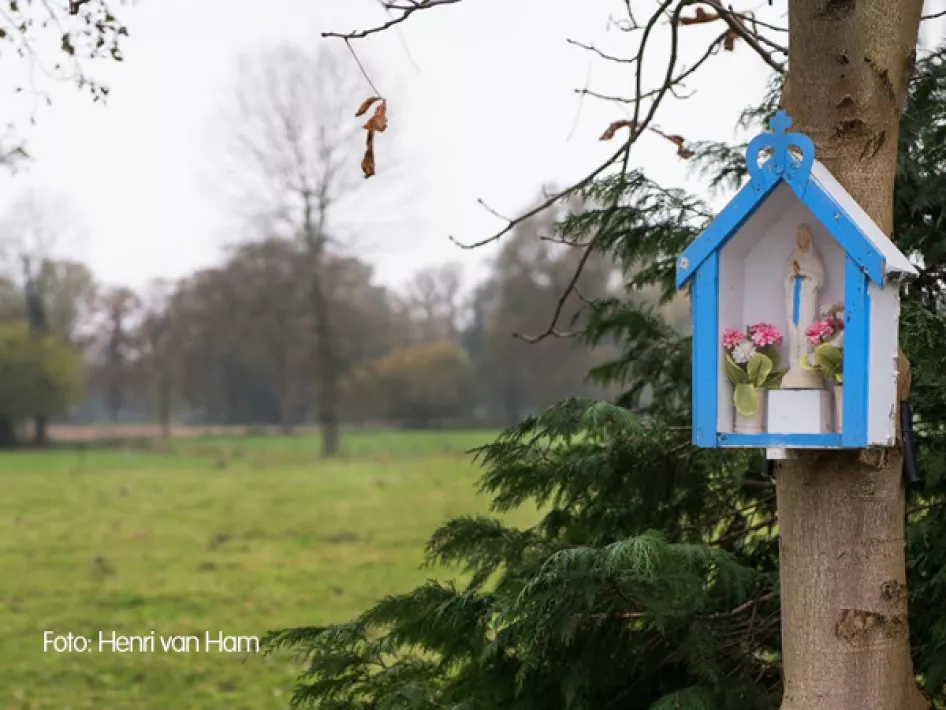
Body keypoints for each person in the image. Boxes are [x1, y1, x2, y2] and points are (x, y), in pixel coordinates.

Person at [782, 223, 825, 389]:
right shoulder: (792, 257)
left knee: (807, 329)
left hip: (807, 298)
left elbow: (820, 279)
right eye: (798, 236)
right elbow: (785, 278)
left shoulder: (815, 258)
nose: (801, 239)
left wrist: (804, 273)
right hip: (794, 298)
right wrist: (793, 275)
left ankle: (807, 367)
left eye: (803, 236)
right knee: (794, 330)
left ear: (809, 238)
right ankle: (794, 366)